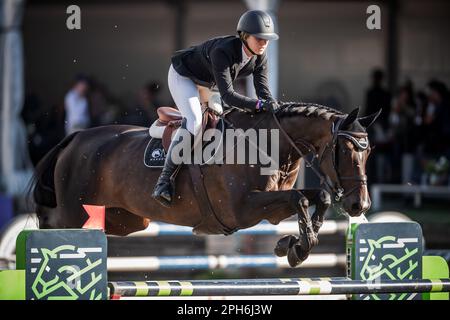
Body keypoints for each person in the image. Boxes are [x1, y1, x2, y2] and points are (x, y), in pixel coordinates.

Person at [152, 10, 279, 207]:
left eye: (267, 39)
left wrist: (271, 105)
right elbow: (228, 95)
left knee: (223, 119)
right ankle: (163, 181)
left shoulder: (259, 57)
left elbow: (262, 90)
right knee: (194, 122)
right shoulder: (224, 51)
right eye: (259, 38)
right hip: (184, 76)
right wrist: (258, 104)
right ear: (244, 36)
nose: (264, 43)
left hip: (208, 84)